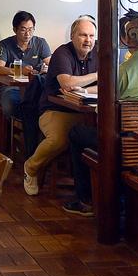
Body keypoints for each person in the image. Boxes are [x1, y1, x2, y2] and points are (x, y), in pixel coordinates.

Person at [62, 16, 138, 216]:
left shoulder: (121, 72)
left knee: (76, 133)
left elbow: (103, 113)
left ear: (126, 39)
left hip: (126, 146)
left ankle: (86, 200)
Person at [23, 16, 98, 196]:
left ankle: (88, 188)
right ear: (72, 36)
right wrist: (97, 75)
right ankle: (31, 168)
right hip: (55, 109)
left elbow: (110, 84)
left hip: (86, 111)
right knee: (59, 138)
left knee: (103, 137)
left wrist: (87, 90)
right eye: (83, 35)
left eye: (91, 36)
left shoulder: (98, 53)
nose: (88, 40)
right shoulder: (62, 53)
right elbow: (67, 83)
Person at [0, 11, 52, 118]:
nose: (28, 34)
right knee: (11, 104)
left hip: (35, 88)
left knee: (48, 103)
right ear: (15, 30)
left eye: (31, 29)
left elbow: (52, 65)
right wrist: (19, 71)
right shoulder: (5, 44)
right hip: (12, 88)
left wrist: (46, 69)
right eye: (23, 29)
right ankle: (25, 129)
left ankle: (29, 130)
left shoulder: (40, 43)